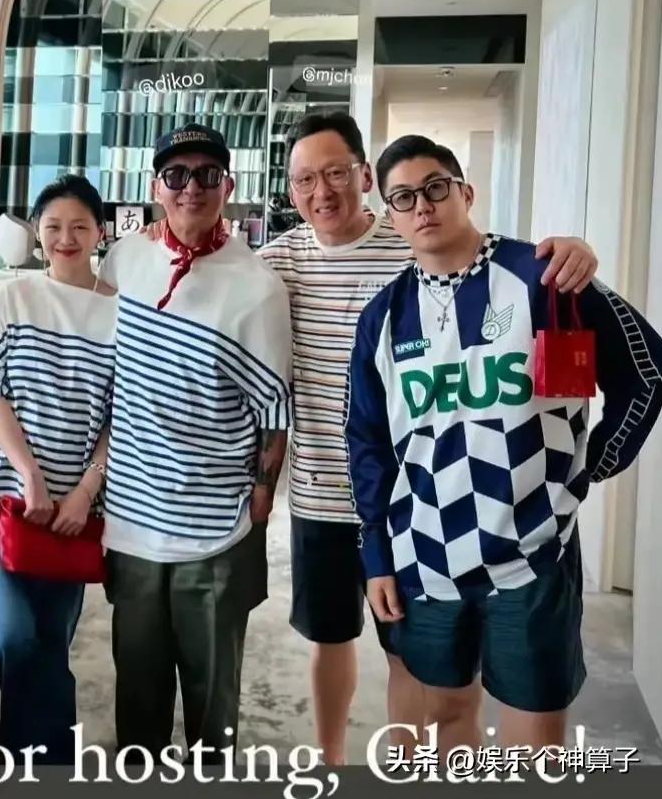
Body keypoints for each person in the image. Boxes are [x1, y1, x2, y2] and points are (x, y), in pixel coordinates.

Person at [256, 113, 599, 765]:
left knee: (413, 664)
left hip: (421, 509)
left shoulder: (413, 239)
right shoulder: (276, 262)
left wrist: (572, 251)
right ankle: (332, 762)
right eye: (304, 179)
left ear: (363, 175)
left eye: (335, 172)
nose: (321, 191)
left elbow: (500, 265)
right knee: (332, 641)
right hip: (323, 495)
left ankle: (416, 765)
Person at [345, 134, 662, 758]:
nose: (423, 206)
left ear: (465, 192)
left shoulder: (546, 278)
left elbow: (647, 370)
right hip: (426, 558)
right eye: (403, 197)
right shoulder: (382, 315)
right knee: (443, 717)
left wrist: (591, 465)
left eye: (435, 187)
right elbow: (368, 443)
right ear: (390, 215)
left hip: (533, 555)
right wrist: (377, 553)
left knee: (534, 744)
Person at [99, 123, 293, 760]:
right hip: (132, 521)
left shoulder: (257, 286)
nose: (191, 188)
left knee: (214, 709)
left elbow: (273, 409)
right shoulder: (123, 260)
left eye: (208, 174)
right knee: (138, 700)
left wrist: (259, 504)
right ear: (156, 186)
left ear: (227, 187)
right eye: (176, 175)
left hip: (216, 532)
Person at [0, 174, 116, 764]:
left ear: (100, 232)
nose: (65, 238)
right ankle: (51, 764)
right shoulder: (16, 296)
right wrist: (30, 474)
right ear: (36, 233)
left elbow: (122, 413)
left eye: (79, 226)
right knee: (14, 634)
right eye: (53, 226)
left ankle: (30, 764)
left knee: (48, 640)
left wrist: (84, 490)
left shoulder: (123, 311)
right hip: (0, 487)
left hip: (74, 503)